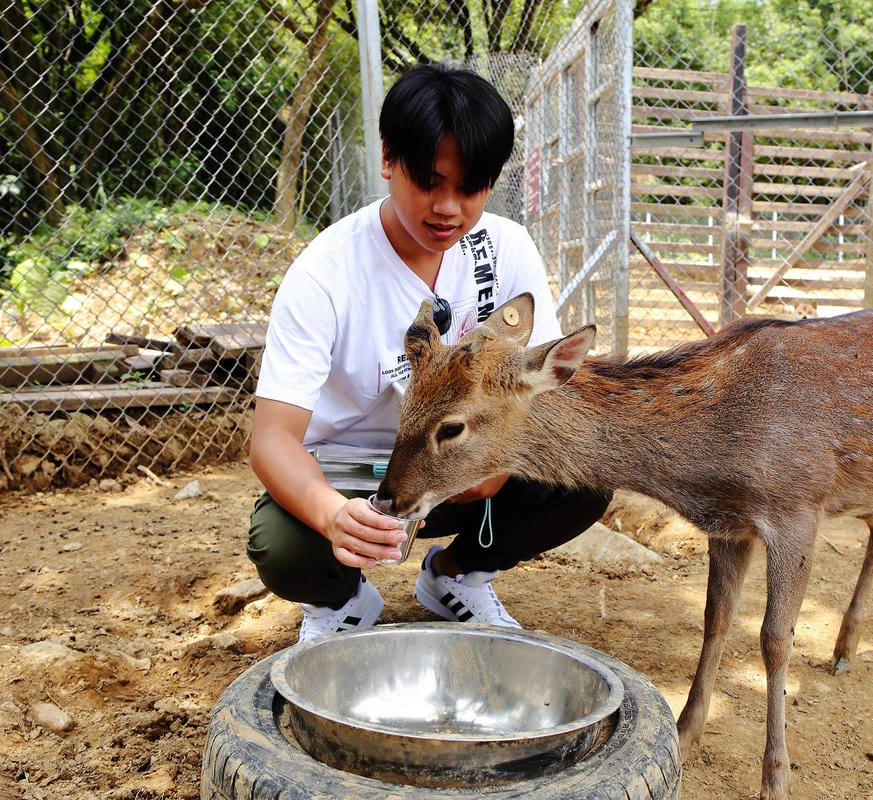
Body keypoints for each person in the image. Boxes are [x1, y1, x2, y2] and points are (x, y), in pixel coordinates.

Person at [248, 63, 611, 641]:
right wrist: (331, 514)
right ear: (389, 160)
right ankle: (340, 601)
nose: (449, 209)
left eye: (470, 188)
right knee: (282, 544)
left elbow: (541, 396)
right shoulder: (326, 271)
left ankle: (456, 577)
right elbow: (271, 437)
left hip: (464, 463)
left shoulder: (506, 247)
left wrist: (501, 463)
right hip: (357, 473)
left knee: (584, 477)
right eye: (429, 181)